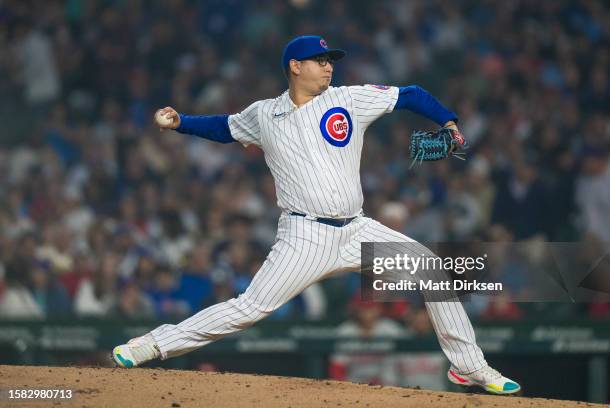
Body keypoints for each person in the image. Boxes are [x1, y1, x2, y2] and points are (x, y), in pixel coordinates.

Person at [112, 35, 520, 395]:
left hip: (357, 229)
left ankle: (470, 367)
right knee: (249, 309)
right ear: (295, 66)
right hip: (304, 235)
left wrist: (448, 120)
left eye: (330, 61)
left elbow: (410, 93)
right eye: (320, 60)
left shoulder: (348, 99)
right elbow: (224, 126)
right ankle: (152, 344)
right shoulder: (264, 114)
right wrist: (181, 122)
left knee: (429, 268)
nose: (328, 66)